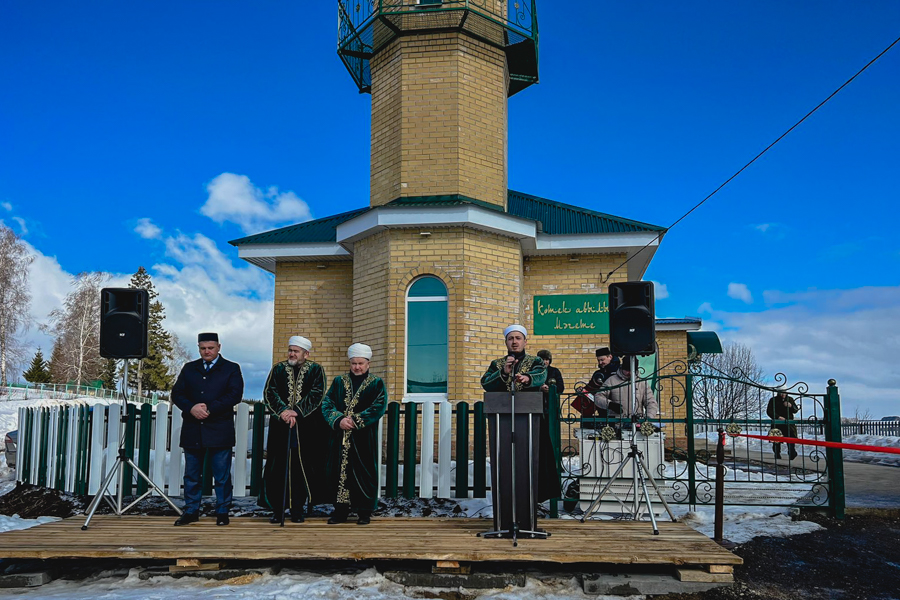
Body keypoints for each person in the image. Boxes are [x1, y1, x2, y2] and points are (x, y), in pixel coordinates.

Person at [170, 332, 244, 526]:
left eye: (210, 348)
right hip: (193, 428)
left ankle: (222, 511)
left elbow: (234, 394)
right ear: (198, 348)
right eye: (203, 348)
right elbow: (177, 393)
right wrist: (191, 407)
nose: (207, 351)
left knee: (221, 475)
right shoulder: (189, 368)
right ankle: (191, 511)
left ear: (219, 347)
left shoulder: (231, 368)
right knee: (192, 475)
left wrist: (209, 409)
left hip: (219, 428)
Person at [481, 325, 560, 503]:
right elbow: (485, 382)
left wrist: (528, 378)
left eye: (518, 338)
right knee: (508, 463)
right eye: (511, 338)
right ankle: (508, 502)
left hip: (531, 421)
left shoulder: (535, 361)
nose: (514, 342)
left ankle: (530, 501)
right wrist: (504, 372)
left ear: (525, 341)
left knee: (533, 461)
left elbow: (541, 374)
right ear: (506, 342)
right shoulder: (497, 364)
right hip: (504, 422)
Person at [258, 336, 329, 524]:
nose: (291, 354)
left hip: (306, 429)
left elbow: (317, 394)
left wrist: (296, 412)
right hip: (281, 427)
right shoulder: (278, 369)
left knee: (300, 468)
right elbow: (269, 392)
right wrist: (283, 412)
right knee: (279, 468)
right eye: (290, 350)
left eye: (296, 351)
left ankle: (298, 509)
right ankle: (278, 509)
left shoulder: (316, 370)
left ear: (306, 353)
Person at [321, 343, 387, 525]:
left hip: (363, 437)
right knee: (339, 473)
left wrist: (355, 421)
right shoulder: (339, 382)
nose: (357, 367)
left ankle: (364, 512)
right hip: (340, 437)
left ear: (368, 363)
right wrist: (338, 420)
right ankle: (340, 511)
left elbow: (378, 406)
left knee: (363, 473)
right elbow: (327, 404)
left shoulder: (376, 383)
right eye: (353, 363)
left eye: (361, 363)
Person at [593, 360, 658, 419]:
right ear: (622, 368)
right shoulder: (611, 380)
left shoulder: (642, 383)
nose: (629, 373)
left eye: (631, 370)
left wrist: (649, 417)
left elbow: (651, 402)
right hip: (617, 423)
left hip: (637, 422)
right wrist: (610, 405)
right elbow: (598, 397)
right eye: (627, 370)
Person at [767, 389, 799, 460]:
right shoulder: (773, 400)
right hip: (777, 423)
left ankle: (792, 453)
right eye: (781, 393)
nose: (783, 394)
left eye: (784, 393)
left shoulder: (790, 399)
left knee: (790, 439)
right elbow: (769, 411)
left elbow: (795, 410)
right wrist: (778, 417)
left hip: (789, 423)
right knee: (776, 440)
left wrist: (791, 406)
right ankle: (777, 454)